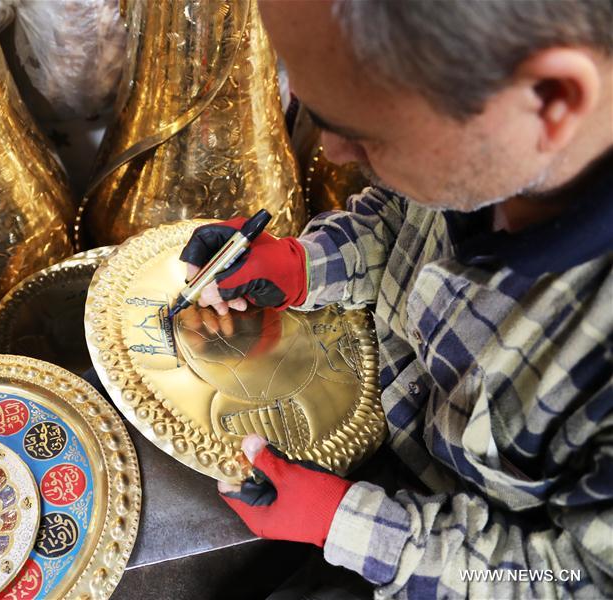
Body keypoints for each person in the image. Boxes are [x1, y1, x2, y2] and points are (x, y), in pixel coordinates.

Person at [178, 1, 613, 598]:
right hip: (385, 433)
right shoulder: (485, 145)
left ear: (551, 99)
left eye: (362, 132)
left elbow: (573, 579)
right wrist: (303, 266)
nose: (329, 151)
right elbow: (401, 219)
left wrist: (355, 529)